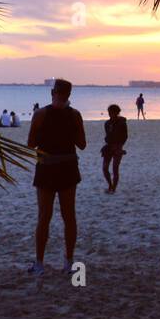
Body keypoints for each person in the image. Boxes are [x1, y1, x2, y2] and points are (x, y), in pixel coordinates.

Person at [25, 79, 86, 276]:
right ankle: (69, 262)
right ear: (69, 95)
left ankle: (40, 263)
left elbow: (30, 144)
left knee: (44, 217)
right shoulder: (75, 115)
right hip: (68, 167)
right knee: (69, 216)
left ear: (53, 92)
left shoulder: (40, 114)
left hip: (46, 168)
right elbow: (82, 144)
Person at [101, 104, 128, 193]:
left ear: (116, 113)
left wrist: (119, 146)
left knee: (115, 169)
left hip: (118, 147)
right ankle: (110, 185)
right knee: (105, 168)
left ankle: (114, 188)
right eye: (109, 112)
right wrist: (108, 141)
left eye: (111, 112)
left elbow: (125, 136)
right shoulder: (107, 123)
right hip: (108, 147)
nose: (109, 114)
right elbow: (107, 135)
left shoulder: (122, 123)